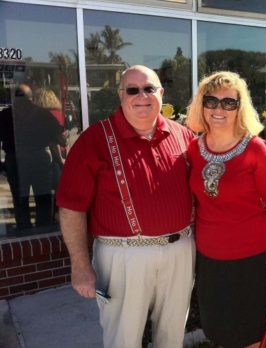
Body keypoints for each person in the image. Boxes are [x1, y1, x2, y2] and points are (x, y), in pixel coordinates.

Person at [56, 65, 195, 348]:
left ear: (162, 94)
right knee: (123, 338)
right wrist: (80, 265)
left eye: (149, 89)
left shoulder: (184, 136)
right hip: (122, 257)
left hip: (180, 250)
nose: (141, 96)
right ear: (121, 95)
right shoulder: (93, 141)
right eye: (132, 89)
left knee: (172, 335)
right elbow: (71, 207)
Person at [186, 71, 266, 348]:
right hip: (208, 260)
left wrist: (262, 253)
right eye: (211, 101)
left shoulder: (257, 150)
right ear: (202, 105)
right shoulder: (194, 149)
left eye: (229, 103)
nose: (219, 109)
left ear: (239, 108)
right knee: (218, 332)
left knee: (249, 338)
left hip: (249, 262)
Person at [0, 84, 65, 230]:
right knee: (43, 196)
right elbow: (59, 139)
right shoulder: (42, 114)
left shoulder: (4, 115)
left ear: (14, 98)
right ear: (31, 98)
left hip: (15, 159)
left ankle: (24, 228)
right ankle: (43, 227)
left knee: (19, 197)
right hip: (39, 156)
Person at [33, 88, 68, 220]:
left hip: (52, 157)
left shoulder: (41, 116)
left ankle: (47, 218)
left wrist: (59, 160)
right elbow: (60, 138)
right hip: (58, 156)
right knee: (57, 190)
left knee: (47, 191)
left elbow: (54, 141)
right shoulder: (57, 114)